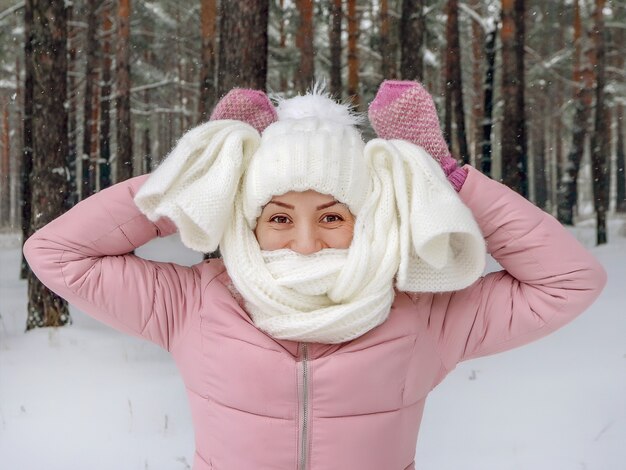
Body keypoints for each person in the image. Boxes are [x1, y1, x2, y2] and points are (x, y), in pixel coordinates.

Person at [23, 80, 606, 470]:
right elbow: (57, 253)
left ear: (367, 217)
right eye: (279, 217)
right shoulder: (194, 304)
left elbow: (568, 281)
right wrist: (199, 177)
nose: (305, 243)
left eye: (331, 216)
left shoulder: (424, 313)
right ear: (248, 219)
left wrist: (448, 179)